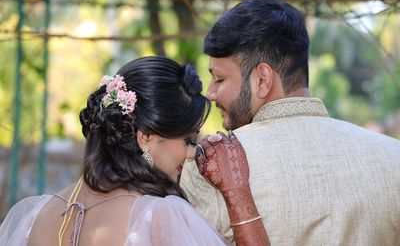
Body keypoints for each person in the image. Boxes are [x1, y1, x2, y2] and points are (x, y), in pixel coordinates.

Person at [180, 0, 400, 245]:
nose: (210, 93)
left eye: (219, 79)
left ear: (262, 79)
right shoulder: (394, 158)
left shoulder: (211, 169)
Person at [0, 56, 269, 246]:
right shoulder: (159, 216)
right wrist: (236, 193)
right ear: (146, 137)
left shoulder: (32, 215)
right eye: (188, 140)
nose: (191, 155)